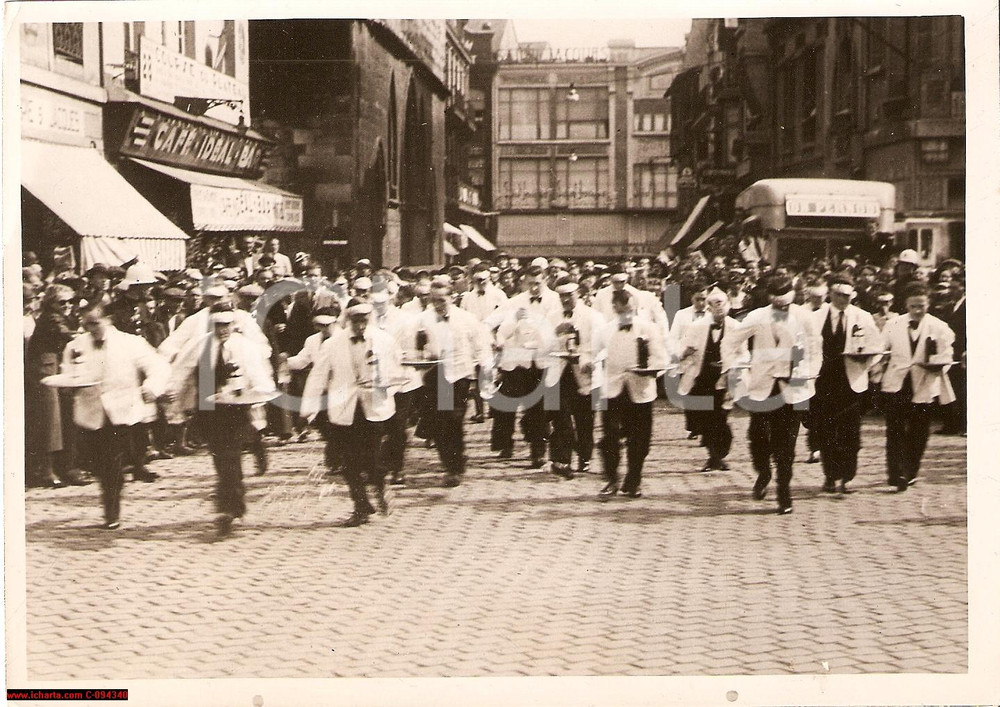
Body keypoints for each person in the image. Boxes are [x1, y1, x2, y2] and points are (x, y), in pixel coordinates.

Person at [167, 302, 276, 535]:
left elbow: (260, 375)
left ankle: (227, 509)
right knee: (222, 460)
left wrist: (262, 392)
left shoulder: (245, 347)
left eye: (226, 325)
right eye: (218, 325)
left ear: (233, 324)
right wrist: (171, 393)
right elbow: (181, 369)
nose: (222, 329)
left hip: (237, 409)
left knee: (229, 458)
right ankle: (235, 503)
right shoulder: (201, 345)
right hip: (210, 411)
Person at [62, 301, 169, 529]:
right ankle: (113, 489)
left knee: (111, 460)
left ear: (107, 320)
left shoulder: (130, 343)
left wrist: (152, 387)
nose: (90, 329)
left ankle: (112, 512)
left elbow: (158, 366)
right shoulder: (76, 345)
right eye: (86, 324)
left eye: (95, 323)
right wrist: (69, 384)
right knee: (97, 463)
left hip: (121, 409)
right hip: (90, 411)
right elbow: (68, 373)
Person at [722, 274, 821, 515]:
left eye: (786, 306)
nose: (782, 310)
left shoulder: (805, 317)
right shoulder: (757, 317)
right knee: (758, 438)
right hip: (762, 386)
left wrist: (808, 372)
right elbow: (730, 342)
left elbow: (815, 351)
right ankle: (764, 471)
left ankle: (783, 492)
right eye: (778, 305)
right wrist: (734, 366)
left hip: (793, 388)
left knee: (786, 445)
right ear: (770, 300)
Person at [302, 299, 401, 527]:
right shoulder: (333, 344)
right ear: (347, 321)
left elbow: (397, 370)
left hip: (373, 407)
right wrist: (309, 407)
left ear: (370, 319)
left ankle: (379, 485)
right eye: (355, 321)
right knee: (348, 462)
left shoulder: (385, 340)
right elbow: (318, 376)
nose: (360, 326)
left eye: (364, 320)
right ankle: (360, 506)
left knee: (372, 456)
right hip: (343, 408)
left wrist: (385, 386)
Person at [808, 274, 883, 494]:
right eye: (839, 295)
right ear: (830, 294)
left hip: (851, 381)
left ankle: (847, 477)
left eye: (848, 296)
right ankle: (830, 475)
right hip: (823, 381)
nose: (843, 299)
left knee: (850, 432)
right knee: (826, 430)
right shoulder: (815, 318)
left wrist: (866, 359)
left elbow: (876, 346)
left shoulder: (863, 317)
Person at [879, 282, 956, 492]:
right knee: (894, 430)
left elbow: (947, 356)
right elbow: (881, 350)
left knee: (919, 431)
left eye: (921, 305)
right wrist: (877, 372)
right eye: (913, 306)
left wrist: (939, 365)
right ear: (906, 305)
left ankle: (910, 471)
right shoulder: (893, 324)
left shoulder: (939, 327)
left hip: (924, 383)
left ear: (928, 303)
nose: (917, 311)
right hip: (897, 383)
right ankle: (895, 473)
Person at [418, 281, 492, 487]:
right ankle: (449, 462)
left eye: (441, 300)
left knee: (454, 419)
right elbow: (415, 346)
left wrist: (486, 368)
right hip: (434, 375)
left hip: (459, 375)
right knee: (439, 423)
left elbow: (481, 344)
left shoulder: (466, 319)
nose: (437, 305)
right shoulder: (423, 319)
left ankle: (454, 466)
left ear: (452, 298)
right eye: (433, 300)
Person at [598, 289, 668, 499]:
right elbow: (594, 356)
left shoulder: (649, 328)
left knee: (640, 439)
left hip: (641, 389)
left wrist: (650, 369)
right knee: (609, 436)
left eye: (631, 310)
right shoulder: (605, 331)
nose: (627, 314)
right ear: (614, 309)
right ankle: (611, 479)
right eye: (622, 311)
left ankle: (634, 480)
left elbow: (661, 358)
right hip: (612, 389)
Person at [491, 265, 559, 466]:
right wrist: (500, 339)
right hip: (517, 358)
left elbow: (556, 328)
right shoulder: (515, 302)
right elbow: (500, 326)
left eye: (538, 284)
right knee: (506, 403)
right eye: (530, 284)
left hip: (541, 359)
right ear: (524, 282)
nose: (535, 288)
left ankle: (537, 451)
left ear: (545, 280)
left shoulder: (555, 301)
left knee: (537, 407)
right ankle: (505, 443)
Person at [676, 288, 747, 473]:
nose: (719, 310)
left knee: (720, 419)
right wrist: (685, 353)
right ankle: (714, 456)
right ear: (709, 308)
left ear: (729, 306)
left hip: (725, 378)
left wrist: (733, 365)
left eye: (722, 305)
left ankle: (717, 456)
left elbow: (743, 354)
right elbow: (681, 349)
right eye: (714, 306)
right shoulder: (696, 327)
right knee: (706, 420)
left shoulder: (737, 328)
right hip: (702, 378)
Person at [545, 276, 606, 477]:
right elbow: (542, 345)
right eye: (561, 296)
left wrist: (587, 358)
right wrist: (555, 334)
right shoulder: (552, 317)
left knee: (585, 420)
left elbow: (603, 346)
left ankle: (585, 456)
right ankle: (562, 460)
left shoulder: (592, 317)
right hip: (560, 373)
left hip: (584, 372)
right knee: (561, 417)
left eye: (569, 296)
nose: (565, 300)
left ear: (578, 294)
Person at [667, 279, 712, 440]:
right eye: (697, 299)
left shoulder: (713, 314)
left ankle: (706, 428)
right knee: (689, 392)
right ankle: (694, 425)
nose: (701, 303)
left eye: (703, 299)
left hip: (706, 359)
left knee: (706, 393)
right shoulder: (682, 315)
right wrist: (681, 352)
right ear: (691, 298)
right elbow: (673, 337)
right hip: (687, 359)